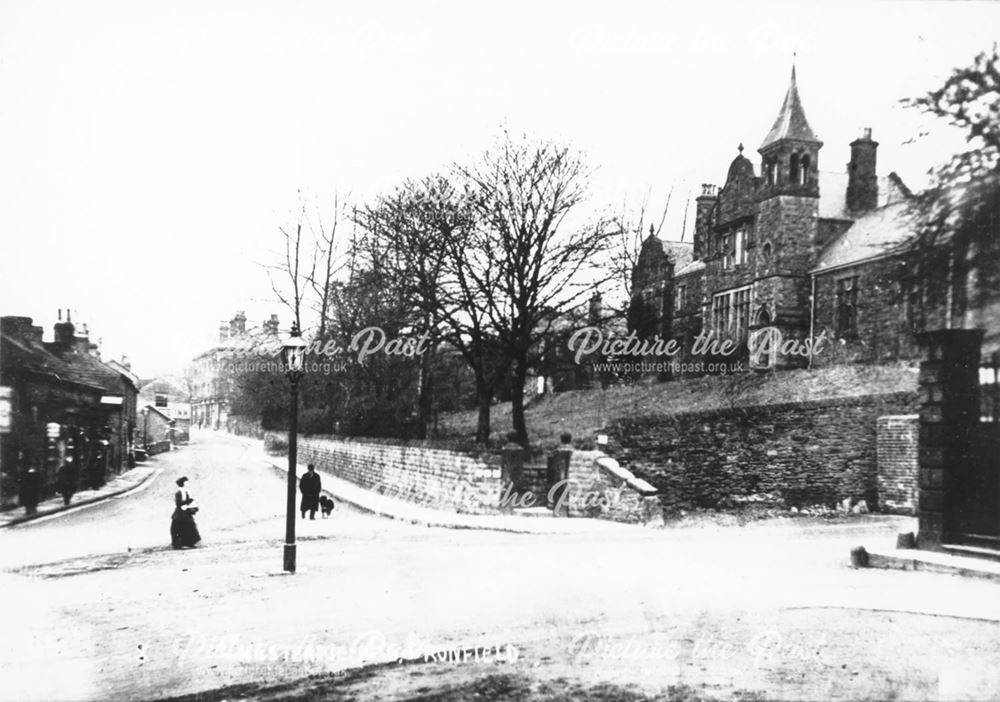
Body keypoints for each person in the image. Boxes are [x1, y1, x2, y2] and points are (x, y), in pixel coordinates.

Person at [170, 476, 201, 549]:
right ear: (183, 483)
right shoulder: (179, 492)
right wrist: (188, 501)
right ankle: (179, 544)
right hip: (180, 513)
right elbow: (178, 503)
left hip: (184, 512)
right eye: (186, 482)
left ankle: (187, 543)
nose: (188, 484)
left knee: (188, 527)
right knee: (181, 527)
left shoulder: (185, 491)